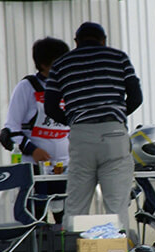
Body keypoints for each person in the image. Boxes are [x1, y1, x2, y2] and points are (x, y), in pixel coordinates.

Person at [44, 22, 143, 238]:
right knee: (116, 207)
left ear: (76, 42)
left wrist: (74, 120)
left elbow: (50, 107)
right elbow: (136, 97)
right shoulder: (119, 58)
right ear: (103, 40)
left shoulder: (61, 64)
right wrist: (116, 117)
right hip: (114, 135)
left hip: (81, 135)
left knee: (76, 206)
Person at [0, 37, 70, 222]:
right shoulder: (27, 87)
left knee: (66, 219)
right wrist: (33, 150)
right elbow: (10, 130)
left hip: (65, 167)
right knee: (37, 217)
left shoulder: (69, 87)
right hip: (35, 168)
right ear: (44, 64)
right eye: (59, 63)